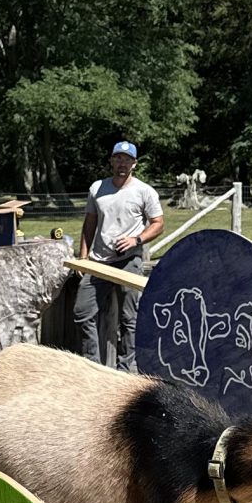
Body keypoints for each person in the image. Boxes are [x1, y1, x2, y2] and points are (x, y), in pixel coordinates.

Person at [74, 140, 164, 370]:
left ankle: (126, 370)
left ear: (134, 163)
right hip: (99, 261)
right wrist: (83, 258)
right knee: (82, 311)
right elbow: (90, 223)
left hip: (129, 260)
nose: (121, 163)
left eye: (127, 159)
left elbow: (158, 224)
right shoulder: (97, 188)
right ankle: (91, 366)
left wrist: (137, 240)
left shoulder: (144, 191)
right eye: (118, 158)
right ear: (111, 161)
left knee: (129, 318)